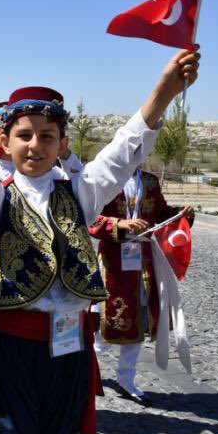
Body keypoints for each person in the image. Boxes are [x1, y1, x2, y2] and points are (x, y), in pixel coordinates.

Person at [0, 38, 201, 434]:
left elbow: (124, 152)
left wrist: (164, 92)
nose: (35, 145)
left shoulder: (80, 194)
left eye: (46, 136)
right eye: (24, 135)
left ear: (62, 143)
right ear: (4, 140)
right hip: (13, 352)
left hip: (69, 351)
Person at [87, 167, 194, 403]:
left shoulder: (150, 181)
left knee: (139, 322)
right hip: (112, 264)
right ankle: (83, 374)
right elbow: (89, 217)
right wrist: (120, 224)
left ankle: (126, 379)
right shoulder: (104, 178)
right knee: (104, 325)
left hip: (142, 264)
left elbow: (162, 214)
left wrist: (181, 215)